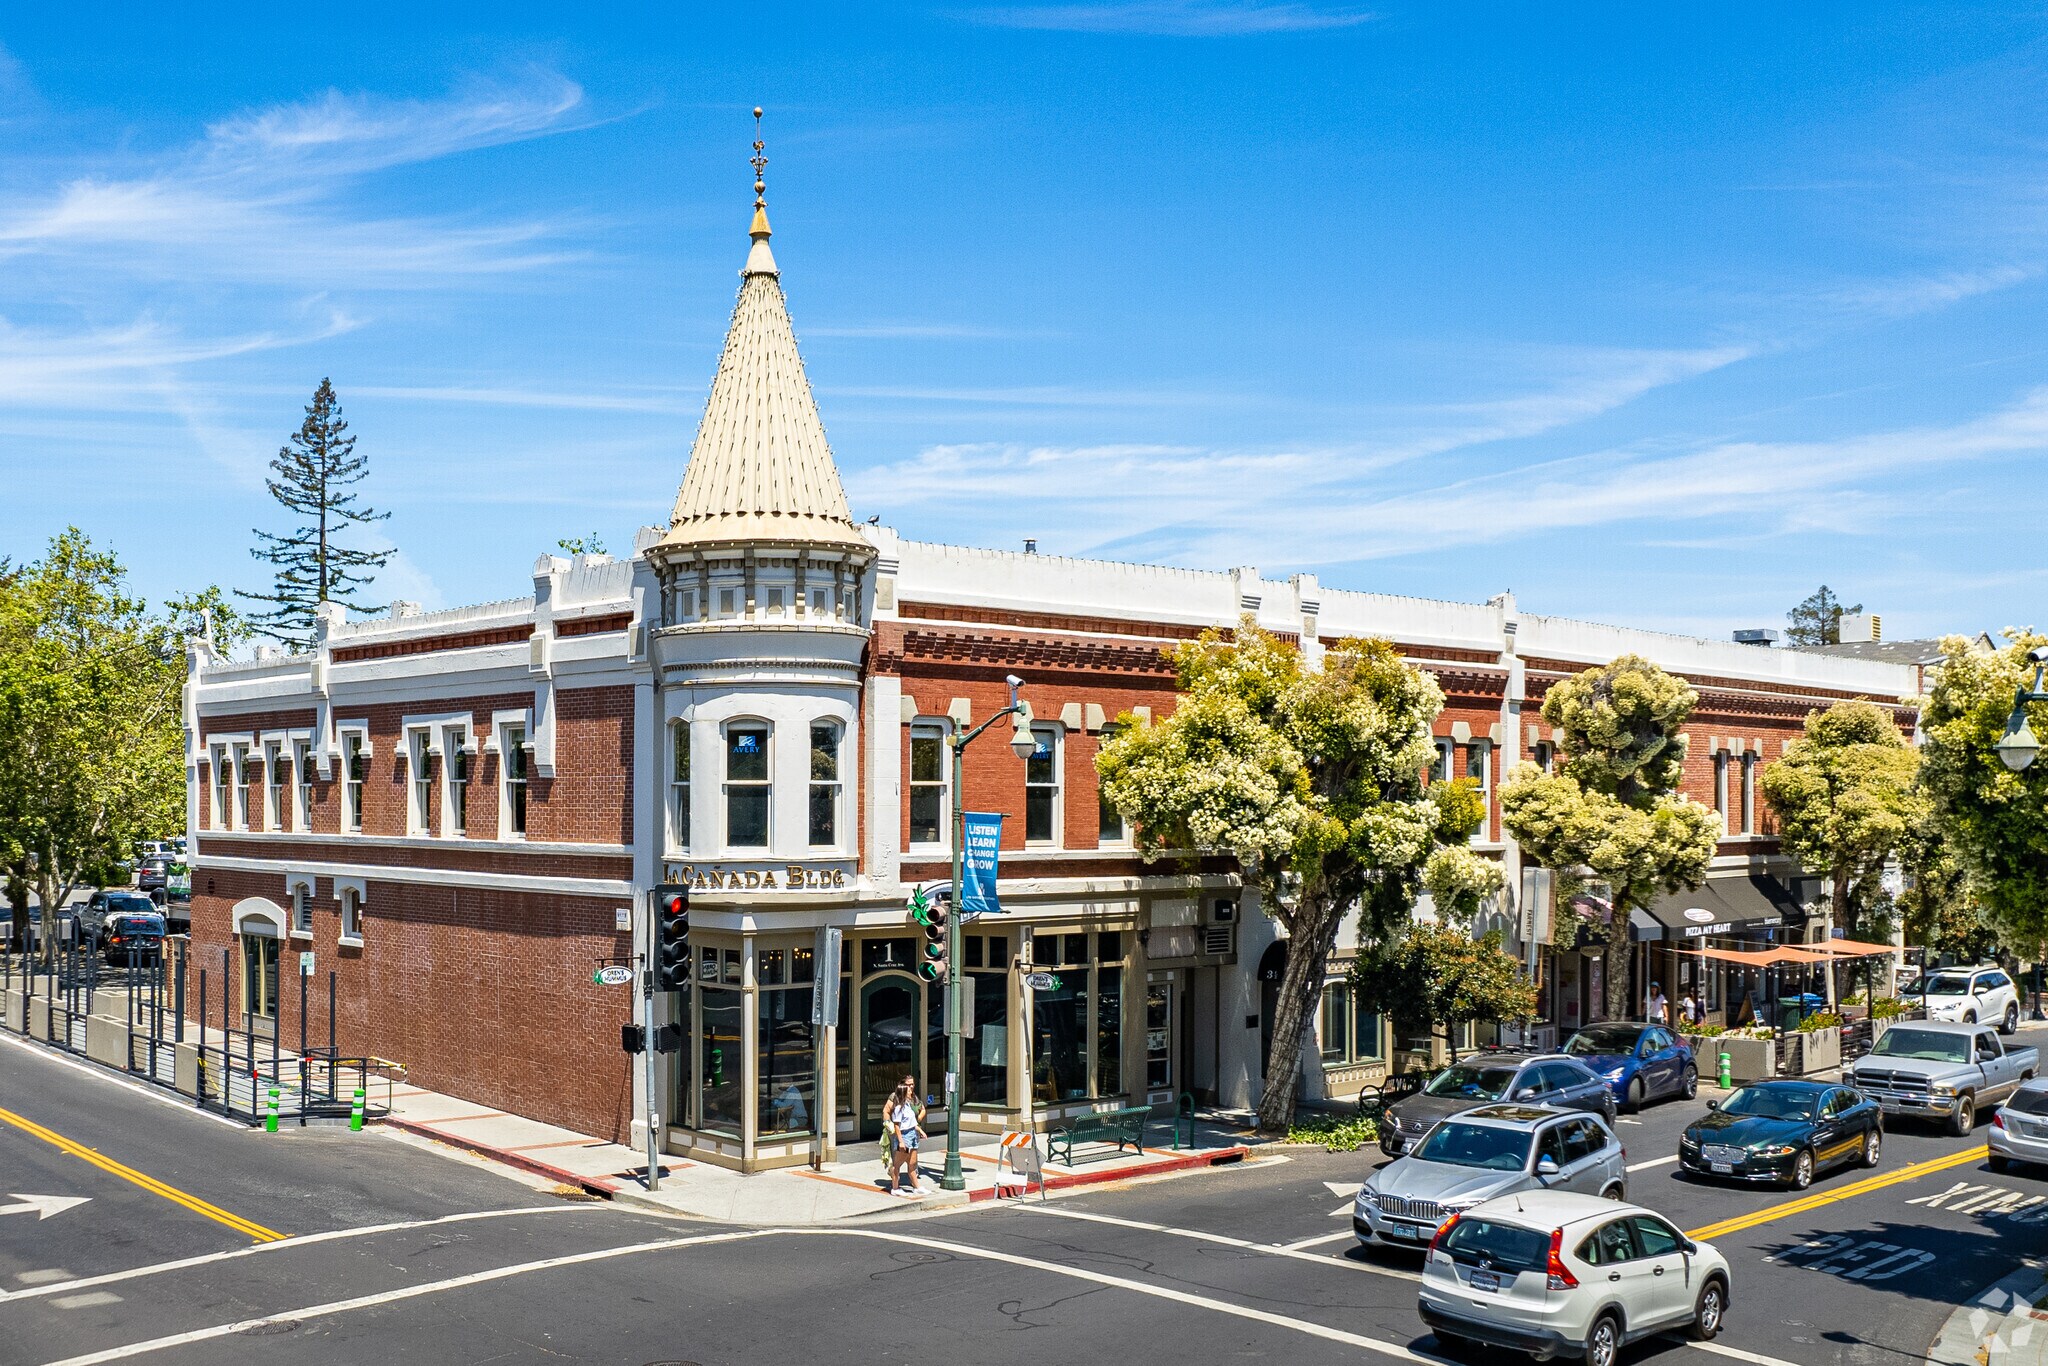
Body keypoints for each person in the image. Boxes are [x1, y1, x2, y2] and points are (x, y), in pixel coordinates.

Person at [885, 1076, 926, 1196]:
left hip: (913, 1135)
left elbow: (913, 1122)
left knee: (913, 1163)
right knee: (897, 1164)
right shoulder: (898, 1107)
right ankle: (895, 1188)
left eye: (912, 1085)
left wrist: (920, 1131)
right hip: (905, 1136)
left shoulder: (910, 1104)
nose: (911, 1089)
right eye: (908, 1087)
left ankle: (917, 1187)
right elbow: (897, 1125)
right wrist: (901, 1141)